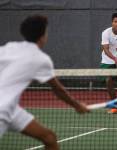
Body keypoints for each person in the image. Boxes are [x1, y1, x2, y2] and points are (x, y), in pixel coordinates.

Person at [0, 15, 89, 150]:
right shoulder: (41, 59)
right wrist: (77, 106)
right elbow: (58, 90)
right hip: (2, 111)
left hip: (12, 109)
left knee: (49, 138)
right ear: (42, 36)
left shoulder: (9, 47)